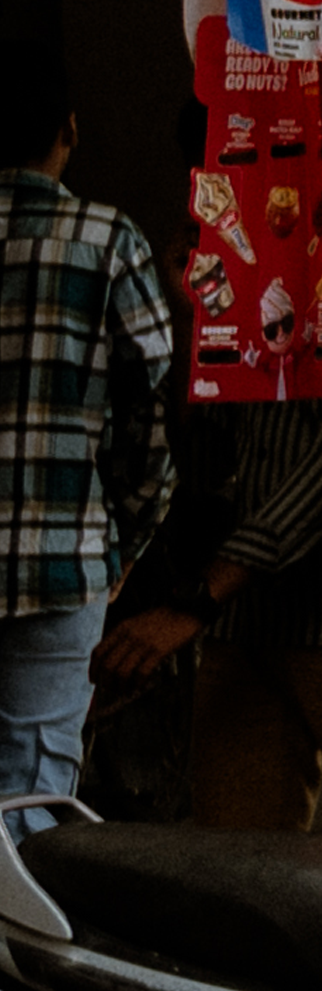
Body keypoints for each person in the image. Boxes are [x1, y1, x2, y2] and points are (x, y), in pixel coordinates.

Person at [97, 138, 322, 841]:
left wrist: (196, 599)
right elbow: (210, 464)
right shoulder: (246, 271)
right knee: (234, 865)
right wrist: (194, 320)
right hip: (246, 617)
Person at [0, 44, 173, 837]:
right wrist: (123, 541)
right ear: (67, 130)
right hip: (62, 566)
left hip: (65, 562)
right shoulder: (107, 241)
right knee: (34, 796)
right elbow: (153, 417)